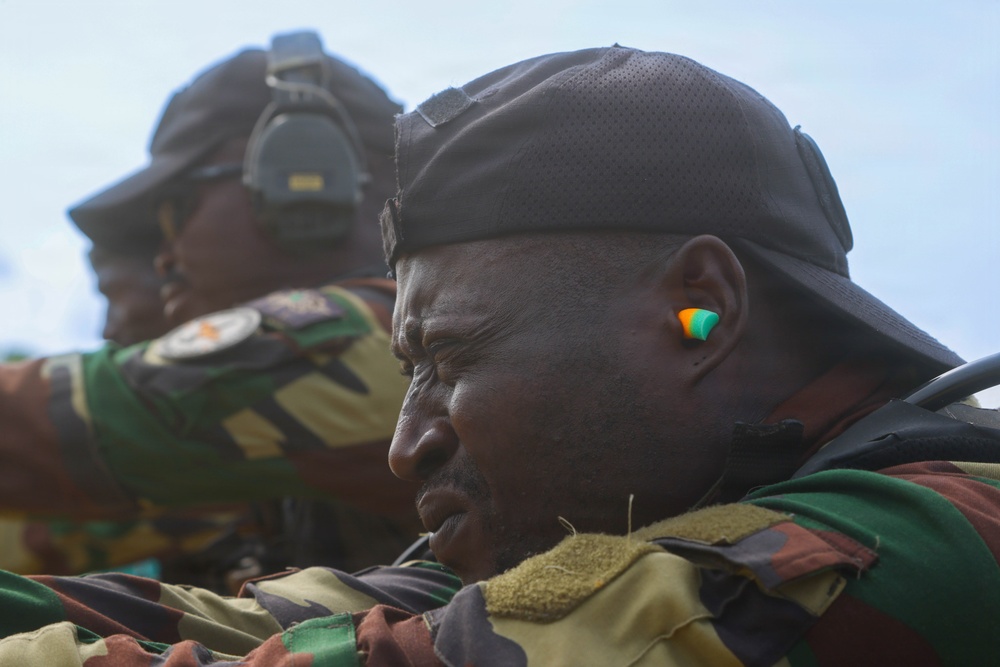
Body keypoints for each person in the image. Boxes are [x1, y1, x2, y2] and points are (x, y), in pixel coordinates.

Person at [0, 45, 998, 664]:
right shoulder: (609, 522)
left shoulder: (918, 542)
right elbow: (210, 623)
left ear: (697, 310)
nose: (404, 442)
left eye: (447, 357)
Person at [0, 32, 421, 587]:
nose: (163, 256)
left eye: (176, 210)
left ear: (303, 179)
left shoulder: (380, 339)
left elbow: (38, 426)